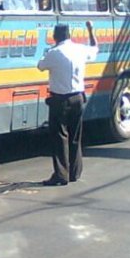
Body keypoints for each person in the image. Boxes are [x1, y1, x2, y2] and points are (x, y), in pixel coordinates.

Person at [38, 20, 98, 185]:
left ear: (55, 37)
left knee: (60, 137)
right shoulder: (80, 49)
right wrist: (91, 30)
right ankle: (75, 173)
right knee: (75, 136)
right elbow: (95, 49)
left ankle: (61, 175)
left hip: (60, 100)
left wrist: (47, 53)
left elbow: (40, 66)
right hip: (78, 97)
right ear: (70, 35)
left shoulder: (54, 52)